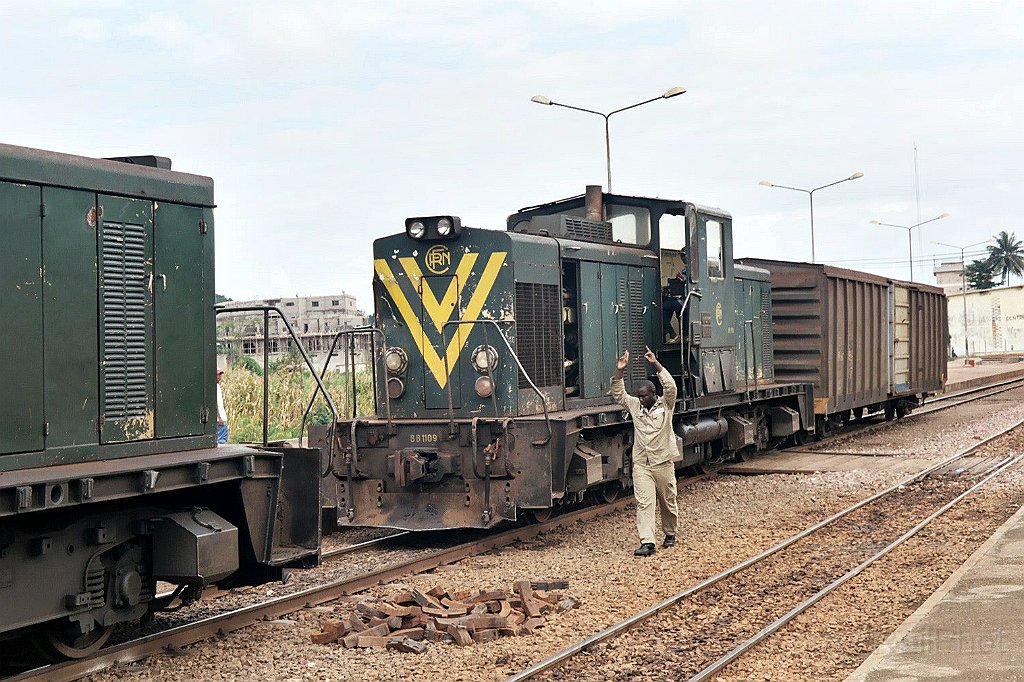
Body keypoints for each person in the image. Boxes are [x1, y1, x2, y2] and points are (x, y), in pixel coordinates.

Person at [611, 347, 680, 556]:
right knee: (644, 503)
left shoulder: (666, 405)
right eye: (639, 396)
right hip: (642, 464)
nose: (640, 399)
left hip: (663, 462)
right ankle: (648, 542)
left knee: (668, 500)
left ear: (653, 394)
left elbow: (671, 387)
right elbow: (618, 394)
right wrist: (620, 370)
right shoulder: (634, 406)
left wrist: (656, 364)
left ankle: (670, 532)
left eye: (644, 396)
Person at [662, 264, 687, 344]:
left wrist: (682, 278)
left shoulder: (691, 269)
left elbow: (689, 281)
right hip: (679, 300)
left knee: (662, 308)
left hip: (684, 301)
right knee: (665, 306)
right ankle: (670, 333)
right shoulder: (685, 269)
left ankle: (672, 333)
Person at [216, 368, 229, 444]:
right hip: (220, 419)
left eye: (220, 375)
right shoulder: (215, 387)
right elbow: (215, 403)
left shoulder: (217, 386)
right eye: (218, 375)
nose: (220, 377)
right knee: (221, 441)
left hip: (221, 417)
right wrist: (219, 418)